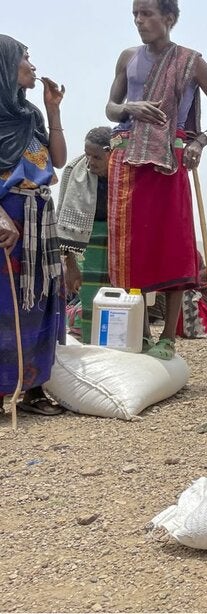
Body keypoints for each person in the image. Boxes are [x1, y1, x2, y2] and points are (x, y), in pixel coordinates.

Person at [105, 0, 207, 360]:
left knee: (172, 243)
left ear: (169, 18)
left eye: (146, 13)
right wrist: (131, 108)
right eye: (135, 14)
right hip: (129, 159)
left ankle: (168, 337)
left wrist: (201, 141)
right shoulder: (127, 57)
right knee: (132, 246)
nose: (139, 21)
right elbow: (111, 108)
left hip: (169, 160)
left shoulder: (192, 62)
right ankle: (141, 331)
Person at [0, 35, 67, 416]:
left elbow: (55, 161)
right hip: (6, 220)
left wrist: (53, 110)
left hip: (39, 219)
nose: (33, 66)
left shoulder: (30, 116)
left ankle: (34, 388)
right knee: (5, 303)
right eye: (26, 58)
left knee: (40, 302)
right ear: (6, 66)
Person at [57, 126, 114, 341]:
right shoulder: (74, 171)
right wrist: (71, 266)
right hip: (87, 245)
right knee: (90, 298)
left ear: (111, 152)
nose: (90, 162)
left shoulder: (126, 172)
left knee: (121, 298)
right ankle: (92, 342)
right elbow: (62, 222)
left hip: (118, 243)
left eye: (97, 156)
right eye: (87, 154)